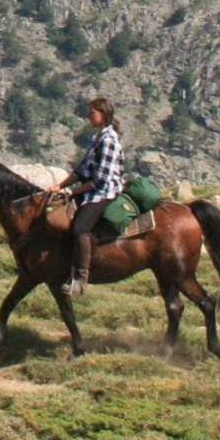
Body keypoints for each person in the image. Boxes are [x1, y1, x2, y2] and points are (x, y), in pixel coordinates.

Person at [52, 96, 125, 298]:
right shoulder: (97, 138)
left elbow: (100, 179)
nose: (88, 117)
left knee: (80, 228)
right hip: (93, 190)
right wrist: (60, 185)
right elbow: (83, 169)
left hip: (105, 191)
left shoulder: (109, 140)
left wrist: (72, 192)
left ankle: (80, 278)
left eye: (92, 113)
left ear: (104, 114)